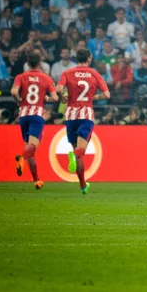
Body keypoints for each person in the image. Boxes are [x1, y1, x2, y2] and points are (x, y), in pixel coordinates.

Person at [56, 48, 111, 194]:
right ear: (89, 59)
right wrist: (95, 97)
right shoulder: (94, 74)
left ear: (76, 58)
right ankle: (74, 156)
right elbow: (106, 94)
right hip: (86, 114)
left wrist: (62, 97)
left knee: (76, 148)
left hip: (71, 115)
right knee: (81, 151)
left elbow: (58, 89)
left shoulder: (67, 73)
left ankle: (82, 185)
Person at [11, 51, 58, 190]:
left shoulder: (21, 77)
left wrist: (19, 100)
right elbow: (55, 98)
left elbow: (14, 91)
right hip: (37, 115)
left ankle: (36, 179)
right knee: (32, 147)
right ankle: (21, 158)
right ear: (39, 63)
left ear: (27, 62)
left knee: (29, 146)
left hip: (24, 115)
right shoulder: (46, 78)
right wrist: (46, 98)